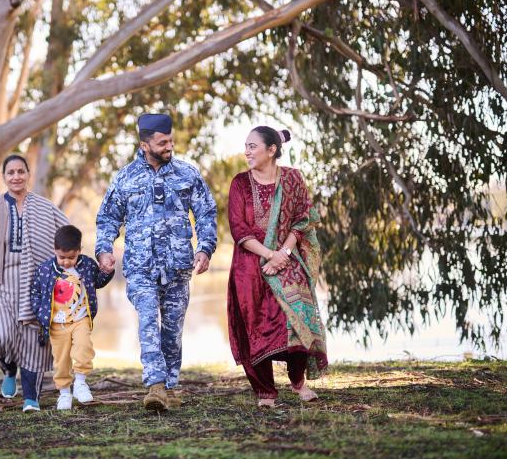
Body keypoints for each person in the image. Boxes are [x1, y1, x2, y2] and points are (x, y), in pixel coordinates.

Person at [95, 113, 217, 411]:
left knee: (172, 333)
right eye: (163, 142)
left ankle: (170, 386)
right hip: (140, 267)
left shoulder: (187, 174)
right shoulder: (125, 178)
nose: (169, 146)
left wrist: (205, 248)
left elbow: (206, 212)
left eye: (171, 141)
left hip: (178, 266)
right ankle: (156, 385)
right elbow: (108, 217)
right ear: (144, 145)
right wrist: (104, 249)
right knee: (148, 322)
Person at [226, 126, 328, 407]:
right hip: (250, 264)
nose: (246, 152)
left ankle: (298, 381)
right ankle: (265, 391)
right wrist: (269, 255)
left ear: (271, 150)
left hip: (287, 259)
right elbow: (238, 228)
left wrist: (283, 253)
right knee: (254, 324)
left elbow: (302, 218)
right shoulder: (240, 183)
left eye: (252, 146)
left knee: (298, 316)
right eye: (245, 146)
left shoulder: (293, 178)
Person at [0, 154, 69, 412]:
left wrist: (71, 269)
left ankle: (31, 398)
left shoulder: (45, 207)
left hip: (35, 283)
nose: (16, 177)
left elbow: (68, 233)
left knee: (34, 339)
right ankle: (9, 368)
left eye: (21, 171)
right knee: (1, 335)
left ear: (28, 174)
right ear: (3, 177)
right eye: (10, 172)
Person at [30, 225, 114, 410]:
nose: (66, 262)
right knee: (61, 361)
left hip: (80, 319)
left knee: (84, 348)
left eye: (71, 257)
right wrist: (40, 311)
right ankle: (64, 393)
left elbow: (98, 282)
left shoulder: (87, 265)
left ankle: (80, 383)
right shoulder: (45, 269)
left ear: (79, 251)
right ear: (54, 250)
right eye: (62, 257)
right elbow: (35, 291)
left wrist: (107, 272)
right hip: (56, 324)